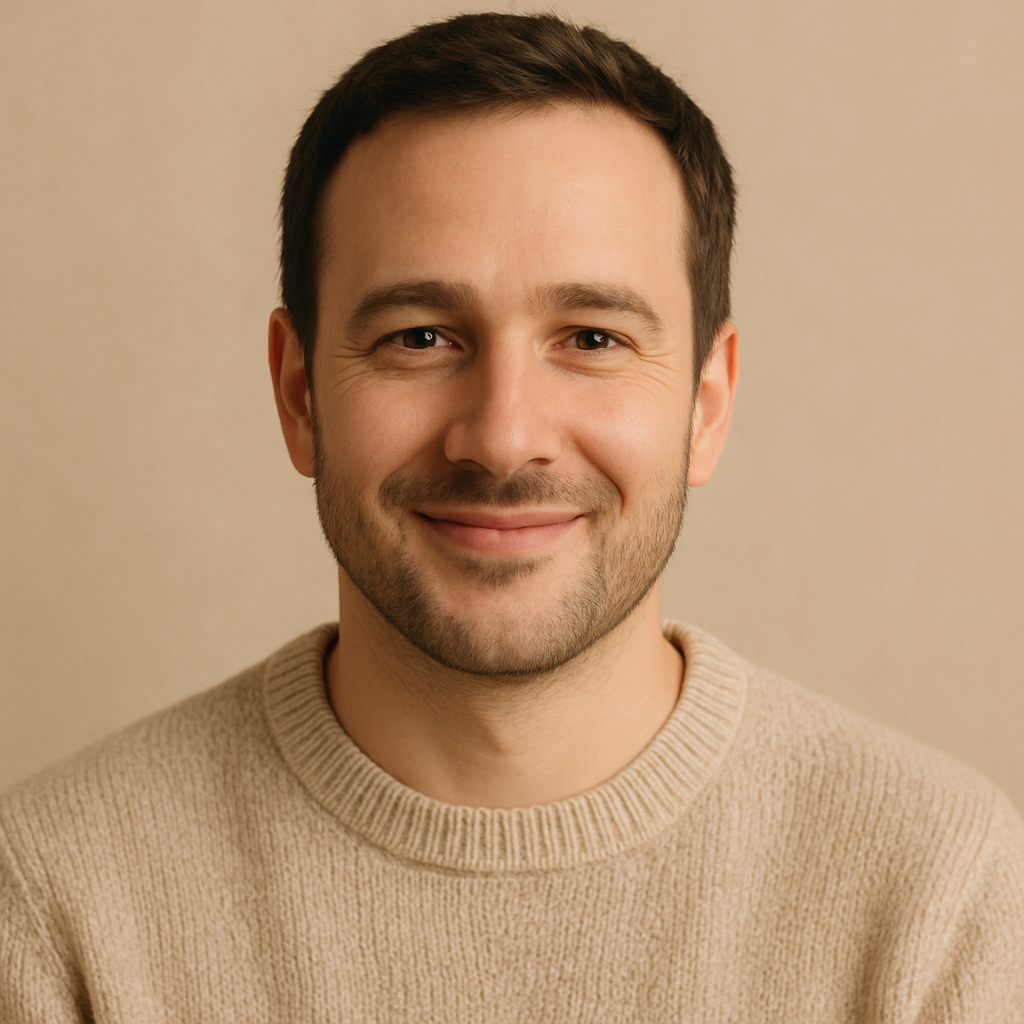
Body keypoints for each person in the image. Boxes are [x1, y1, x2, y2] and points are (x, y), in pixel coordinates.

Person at [2, 11, 1022, 1021]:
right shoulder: (57, 900)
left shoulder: (937, 892)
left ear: (707, 405)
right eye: (419, 336)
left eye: (589, 336)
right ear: (300, 393)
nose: (501, 435)